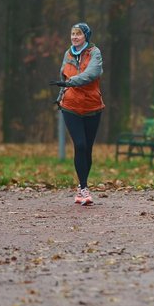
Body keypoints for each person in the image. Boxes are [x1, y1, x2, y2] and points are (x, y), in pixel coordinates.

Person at [50, 22, 104, 206]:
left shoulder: (94, 53)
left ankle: (83, 186)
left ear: (86, 36)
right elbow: (63, 78)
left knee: (87, 148)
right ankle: (83, 188)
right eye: (72, 33)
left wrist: (71, 82)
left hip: (92, 106)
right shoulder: (68, 53)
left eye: (78, 34)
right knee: (79, 144)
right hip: (70, 106)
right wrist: (60, 97)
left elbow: (92, 73)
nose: (74, 37)